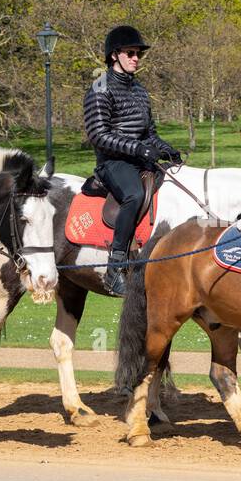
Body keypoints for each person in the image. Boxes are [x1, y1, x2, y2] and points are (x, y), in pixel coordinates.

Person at [83, 25, 182, 296]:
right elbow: (99, 135)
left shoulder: (139, 90)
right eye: (131, 53)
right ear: (115, 55)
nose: (136, 58)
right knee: (134, 195)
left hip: (138, 159)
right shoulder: (99, 88)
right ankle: (115, 266)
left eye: (138, 54)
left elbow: (149, 133)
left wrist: (167, 149)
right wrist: (138, 149)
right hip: (112, 163)